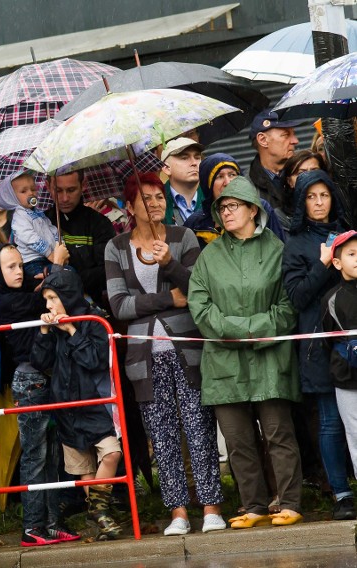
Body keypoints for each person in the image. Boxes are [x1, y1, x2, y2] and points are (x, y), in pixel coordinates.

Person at [105, 172, 225, 536]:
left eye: (160, 197)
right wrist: (166, 299)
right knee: (162, 432)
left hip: (186, 349)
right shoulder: (116, 247)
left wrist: (171, 263)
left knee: (198, 426)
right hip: (143, 356)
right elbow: (119, 306)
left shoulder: (183, 236)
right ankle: (178, 513)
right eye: (147, 198)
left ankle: (212, 508)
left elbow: (199, 289)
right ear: (130, 207)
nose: (156, 203)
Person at [188, 176, 302, 529]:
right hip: (224, 363)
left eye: (233, 205)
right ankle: (252, 505)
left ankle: (290, 502)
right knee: (237, 441)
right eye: (222, 207)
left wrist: (245, 329)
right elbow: (201, 309)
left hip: (270, 359)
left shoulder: (277, 250)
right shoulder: (209, 256)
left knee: (278, 434)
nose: (226, 212)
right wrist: (247, 329)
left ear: (253, 209)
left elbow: (286, 308)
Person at [0, 244, 78, 547]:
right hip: (30, 382)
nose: (18, 271)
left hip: (46, 380)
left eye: (19, 265)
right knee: (35, 457)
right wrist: (56, 264)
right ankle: (32, 526)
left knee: (51, 455)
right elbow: (44, 296)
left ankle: (51, 524)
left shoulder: (26, 293)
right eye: (10, 267)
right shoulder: (5, 301)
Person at [282, 170, 355, 520]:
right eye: (311, 196)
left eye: (325, 195)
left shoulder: (347, 233)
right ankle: (340, 493)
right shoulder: (294, 243)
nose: (319, 202)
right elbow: (296, 297)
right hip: (319, 345)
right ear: (301, 201)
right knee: (330, 421)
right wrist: (325, 265)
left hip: (351, 338)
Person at [30, 269, 122, 540]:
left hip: (95, 404)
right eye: (46, 298)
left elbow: (95, 360)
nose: (48, 305)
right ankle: (103, 519)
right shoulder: (50, 326)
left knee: (111, 452)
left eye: (52, 298)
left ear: (68, 296)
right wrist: (45, 332)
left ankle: (97, 509)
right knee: (83, 469)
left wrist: (71, 330)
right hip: (66, 407)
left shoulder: (94, 320)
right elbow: (40, 363)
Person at [45, 169, 116, 308]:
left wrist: (65, 277)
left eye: (71, 190)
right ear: (48, 186)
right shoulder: (40, 223)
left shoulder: (99, 224)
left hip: (92, 308)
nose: (65, 198)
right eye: (58, 190)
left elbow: (108, 270)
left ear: (83, 184)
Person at [184, 153, 286, 247]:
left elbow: (280, 250)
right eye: (219, 177)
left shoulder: (260, 207)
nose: (228, 182)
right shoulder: (196, 223)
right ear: (208, 185)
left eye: (232, 175)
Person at [321, 231, 357, 497]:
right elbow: (326, 341)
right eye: (351, 254)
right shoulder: (331, 298)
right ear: (336, 262)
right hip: (347, 379)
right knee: (355, 435)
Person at [0, 170, 59, 281]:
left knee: (67, 271)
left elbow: (51, 229)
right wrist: (49, 253)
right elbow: (29, 237)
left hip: (48, 257)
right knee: (55, 278)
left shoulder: (39, 213)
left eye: (33, 189)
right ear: (13, 197)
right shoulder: (20, 216)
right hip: (32, 261)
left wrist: (58, 245)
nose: (31, 193)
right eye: (23, 191)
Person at [247, 109, 302, 229]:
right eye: (286, 135)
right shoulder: (246, 188)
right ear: (263, 140)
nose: (295, 141)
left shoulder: (305, 173)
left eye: (294, 134)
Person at [160, 137, 205, 225]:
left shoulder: (213, 196)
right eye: (184, 158)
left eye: (197, 157)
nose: (194, 163)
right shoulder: (157, 202)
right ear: (167, 168)